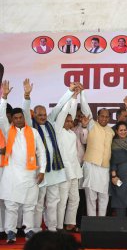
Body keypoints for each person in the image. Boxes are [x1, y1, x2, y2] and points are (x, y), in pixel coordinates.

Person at [24, 81, 75, 232]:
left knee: (54, 201)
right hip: (40, 170)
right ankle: (35, 228)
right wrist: (27, 96)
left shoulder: (50, 122)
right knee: (38, 202)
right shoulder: (30, 126)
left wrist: (69, 91)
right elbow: (26, 112)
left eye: (44, 114)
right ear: (34, 115)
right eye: (39, 114)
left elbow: (58, 106)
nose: (43, 117)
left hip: (55, 169)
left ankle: (52, 228)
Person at [0, 80, 46, 243]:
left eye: (21, 117)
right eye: (16, 118)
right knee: (11, 206)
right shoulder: (7, 131)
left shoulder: (32, 132)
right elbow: (0, 115)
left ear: (24, 118)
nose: (19, 120)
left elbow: (42, 152)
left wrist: (42, 171)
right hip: (11, 175)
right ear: (11, 119)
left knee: (29, 206)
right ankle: (10, 233)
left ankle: (29, 232)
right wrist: (4, 97)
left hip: (29, 174)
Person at [80, 89, 115, 217]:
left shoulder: (111, 131)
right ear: (98, 116)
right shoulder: (92, 125)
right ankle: (92, 222)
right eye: (102, 116)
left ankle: (101, 221)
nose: (104, 119)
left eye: (107, 117)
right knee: (91, 196)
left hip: (105, 167)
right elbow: (85, 109)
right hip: (91, 165)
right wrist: (82, 94)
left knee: (104, 196)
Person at [55, 91, 84, 232]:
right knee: (62, 200)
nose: (69, 122)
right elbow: (64, 113)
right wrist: (70, 97)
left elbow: (71, 112)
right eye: (66, 120)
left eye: (70, 120)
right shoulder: (58, 131)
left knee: (75, 199)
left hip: (74, 170)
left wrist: (74, 98)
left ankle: (70, 223)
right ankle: (59, 226)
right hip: (64, 171)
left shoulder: (72, 133)